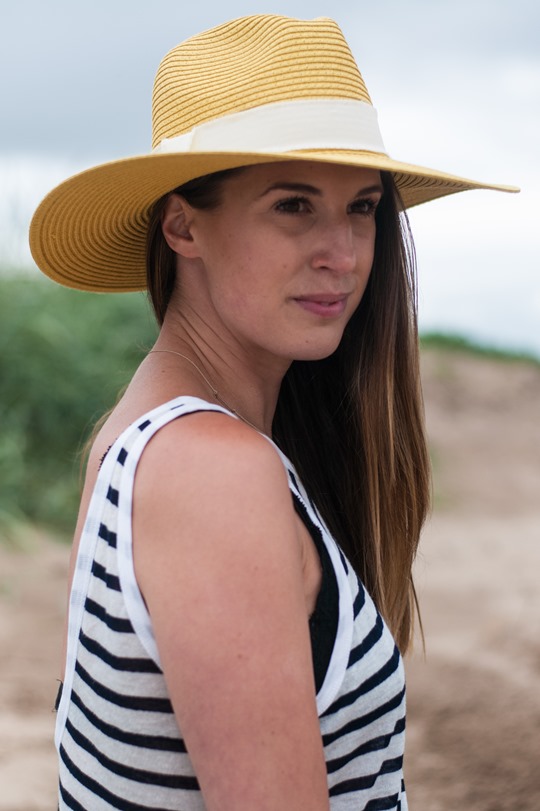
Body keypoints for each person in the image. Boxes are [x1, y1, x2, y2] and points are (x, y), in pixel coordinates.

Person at [29, 14, 517, 811]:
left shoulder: (144, 433)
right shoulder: (210, 471)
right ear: (183, 224)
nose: (345, 252)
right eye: (294, 205)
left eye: (361, 207)